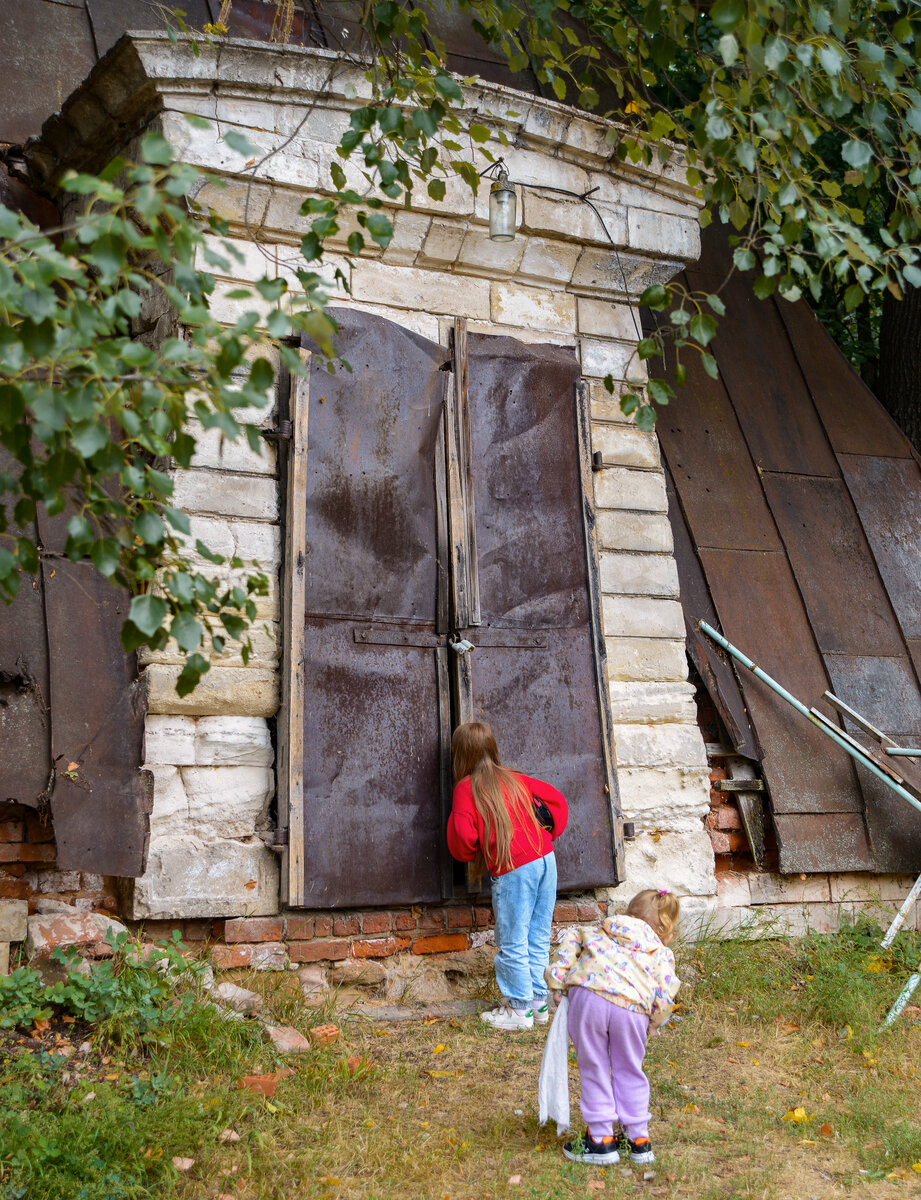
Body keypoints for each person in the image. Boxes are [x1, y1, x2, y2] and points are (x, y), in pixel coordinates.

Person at [446, 720, 568, 1032]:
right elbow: (556, 802)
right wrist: (549, 834)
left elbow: (461, 836)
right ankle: (539, 1004)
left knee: (513, 939)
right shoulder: (515, 778)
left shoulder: (466, 788)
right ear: (492, 748)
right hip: (545, 859)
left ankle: (518, 1010)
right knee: (538, 933)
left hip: (514, 867)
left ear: (460, 756)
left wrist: (473, 849)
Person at [545, 889, 681, 1166]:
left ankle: (601, 1139)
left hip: (590, 996)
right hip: (632, 1009)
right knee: (630, 1068)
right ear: (665, 930)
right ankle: (639, 1141)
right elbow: (667, 991)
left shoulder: (599, 930)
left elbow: (569, 942)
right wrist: (656, 1022)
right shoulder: (660, 952)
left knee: (594, 1065)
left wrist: (558, 984)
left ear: (629, 912)